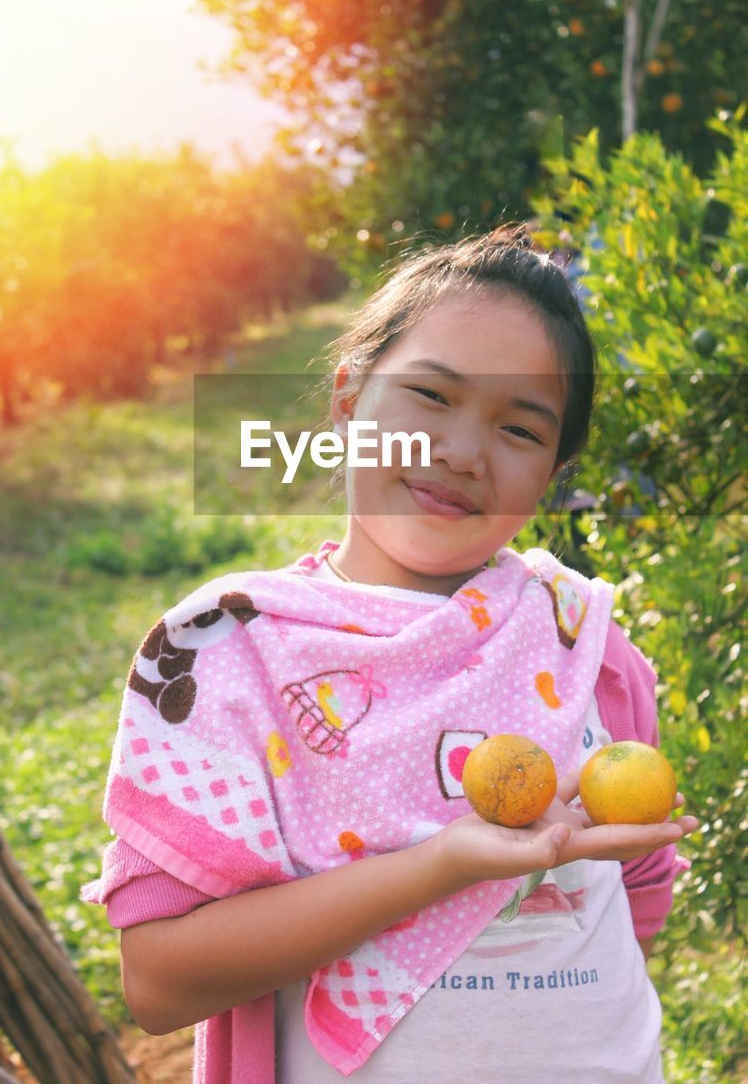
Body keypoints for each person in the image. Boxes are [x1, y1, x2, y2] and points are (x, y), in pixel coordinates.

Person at [82, 225, 697, 1084]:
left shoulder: (582, 641)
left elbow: (637, 892)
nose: (459, 453)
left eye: (520, 431)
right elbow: (160, 981)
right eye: (431, 397)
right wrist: (441, 865)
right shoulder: (230, 651)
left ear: (554, 474)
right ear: (346, 400)